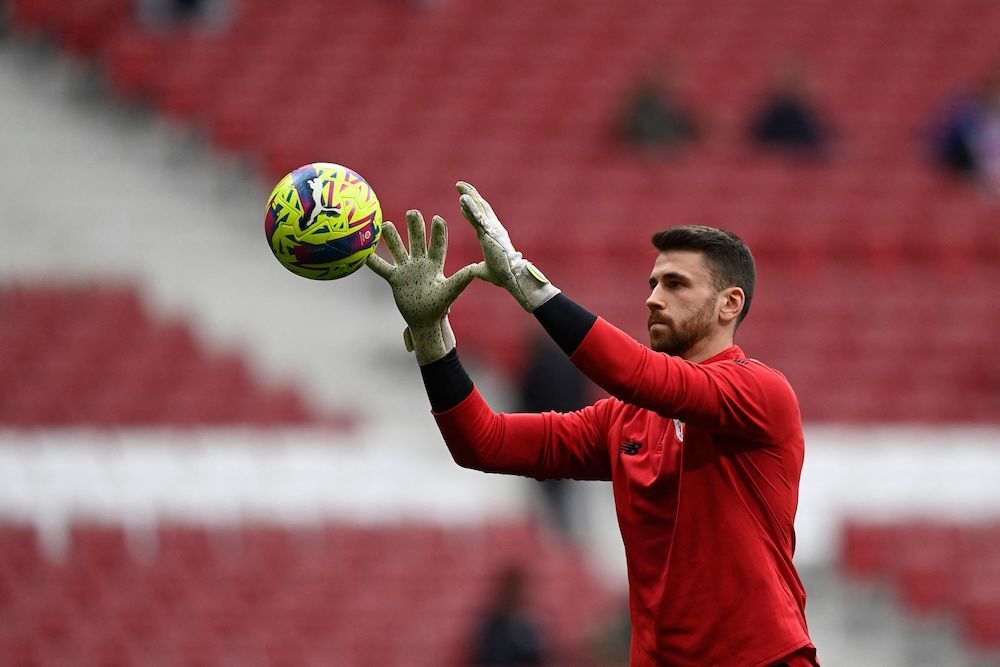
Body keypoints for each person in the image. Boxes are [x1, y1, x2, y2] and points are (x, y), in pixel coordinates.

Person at [366, 183, 818, 666]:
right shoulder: (624, 420)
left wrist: (526, 281)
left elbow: (637, 374)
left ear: (730, 304)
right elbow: (483, 442)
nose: (654, 299)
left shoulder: (761, 393)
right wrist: (433, 338)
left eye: (676, 284)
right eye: (653, 284)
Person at [468, 565, 549, 667]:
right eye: (521, 591)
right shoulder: (495, 626)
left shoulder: (532, 624)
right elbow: (490, 657)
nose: (525, 595)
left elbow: (540, 657)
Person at [749, 57, 828, 156]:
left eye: (795, 80)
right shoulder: (769, 114)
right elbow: (756, 145)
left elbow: (817, 146)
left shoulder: (809, 116)